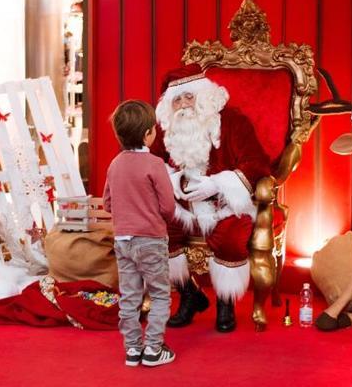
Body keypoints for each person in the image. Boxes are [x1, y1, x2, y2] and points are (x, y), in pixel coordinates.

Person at [152, 64, 270, 333]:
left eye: (189, 97)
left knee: (230, 237)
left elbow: (257, 164)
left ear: (204, 96)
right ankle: (189, 295)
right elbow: (154, 163)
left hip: (224, 204)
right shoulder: (166, 130)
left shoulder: (233, 122)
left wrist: (216, 183)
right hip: (181, 204)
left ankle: (225, 303)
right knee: (159, 232)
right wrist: (173, 180)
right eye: (177, 100)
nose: (183, 105)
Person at [103, 100, 177, 367]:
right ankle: (154, 349)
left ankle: (133, 349)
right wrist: (160, 217)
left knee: (130, 296)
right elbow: (168, 206)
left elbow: (108, 203)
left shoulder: (115, 164)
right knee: (159, 294)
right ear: (148, 133)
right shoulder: (155, 164)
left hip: (123, 240)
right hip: (151, 241)